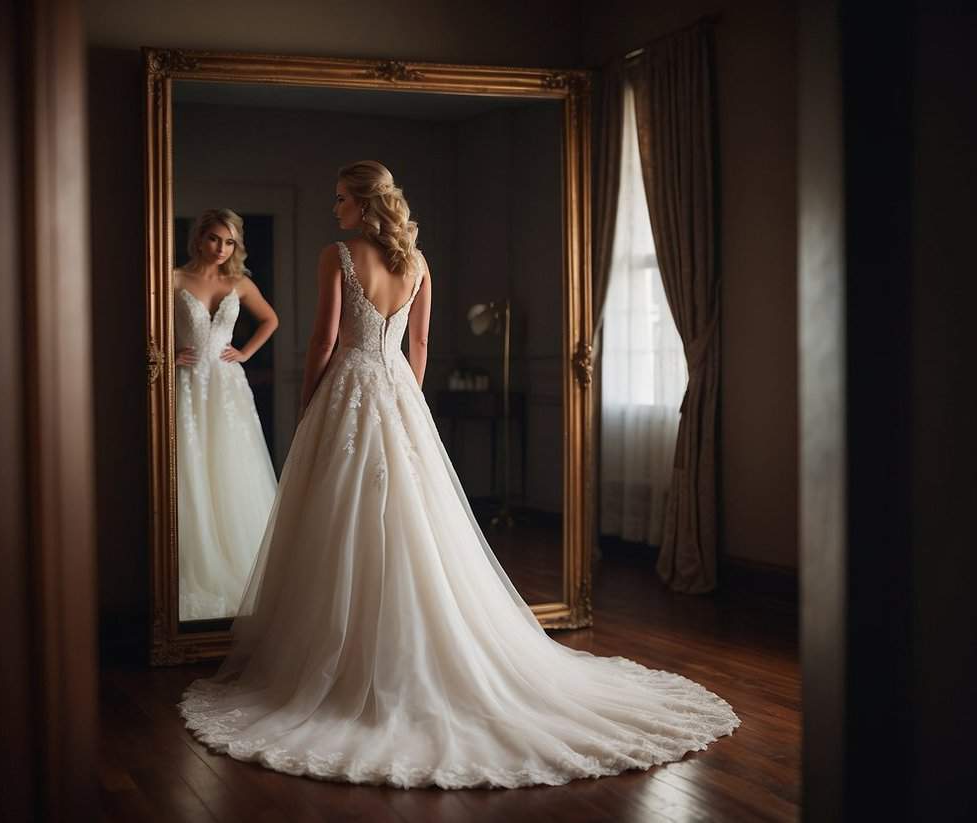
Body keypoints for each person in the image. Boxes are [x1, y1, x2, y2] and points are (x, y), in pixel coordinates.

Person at [179, 163, 739, 788]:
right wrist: (405, 401)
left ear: (364, 203)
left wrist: (310, 400)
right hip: (397, 392)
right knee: (411, 522)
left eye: (340, 198)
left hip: (349, 388)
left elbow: (322, 341)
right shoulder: (418, 264)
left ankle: (342, 662)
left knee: (340, 515)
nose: (333, 207)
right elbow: (418, 348)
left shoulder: (337, 254)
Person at [173, 208, 279, 620]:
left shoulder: (240, 283)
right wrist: (167, 350)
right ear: (199, 238)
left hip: (229, 390)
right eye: (215, 238)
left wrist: (245, 353)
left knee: (232, 468)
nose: (221, 248)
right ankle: (198, 563)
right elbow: (146, 326)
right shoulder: (174, 279)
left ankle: (239, 562)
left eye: (230, 241)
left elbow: (271, 319)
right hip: (188, 386)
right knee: (192, 469)